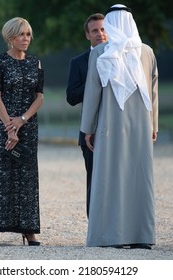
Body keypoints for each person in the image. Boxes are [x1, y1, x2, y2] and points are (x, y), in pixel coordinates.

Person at [80, 4, 159, 249]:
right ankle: (141, 236)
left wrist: (87, 128)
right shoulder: (147, 51)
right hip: (141, 127)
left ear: (112, 23)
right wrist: (153, 125)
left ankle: (110, 236)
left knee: (110, 178)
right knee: (139, 177)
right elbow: (154, 91)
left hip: (110, 126)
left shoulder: (101, 51)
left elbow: (93, 92)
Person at [0, 17, 44, 246]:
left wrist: (22, 120)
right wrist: (9, 128)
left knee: (29, 177)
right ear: (10, 37)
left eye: (29, 34)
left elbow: (39, 98)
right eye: (21, 34)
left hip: (28, 126)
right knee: (3, 177)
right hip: (4, 126)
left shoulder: (36, 63)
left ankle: (29, 229)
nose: (26, 39)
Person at [66, 13, 107, 218]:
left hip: (116, 129)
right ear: (87, 35)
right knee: (94, 180)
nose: (100, 34)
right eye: (95, 31)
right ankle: (95, 227)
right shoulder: (78, 62)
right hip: (90, 130)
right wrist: (94, 83)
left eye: (103, 29)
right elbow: (71, 97)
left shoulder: (123, 57)